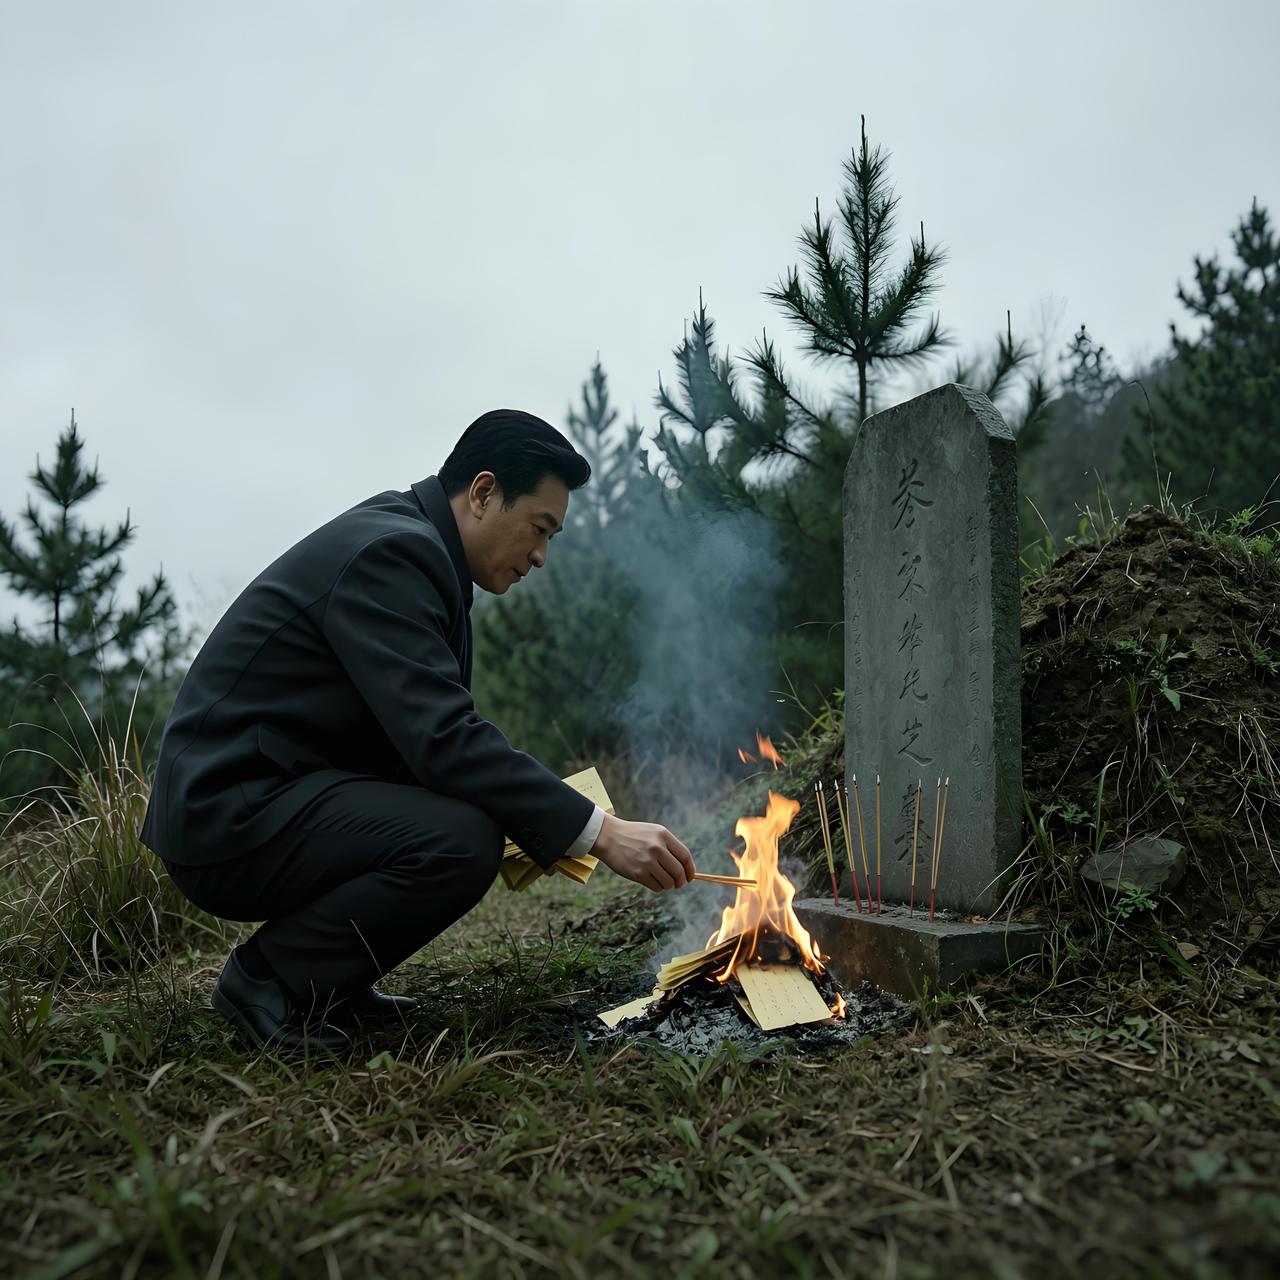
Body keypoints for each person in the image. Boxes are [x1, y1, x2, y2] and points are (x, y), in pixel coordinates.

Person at [140, 409, 695, 1054]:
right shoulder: (394, 553)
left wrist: (534, 822)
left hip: (275, 795)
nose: (542, 556)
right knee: (461, 840)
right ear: (484, 493)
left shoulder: (420, 549)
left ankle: (331, 984)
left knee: (466, 822)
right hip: (228, 812)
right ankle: (267, 980)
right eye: (539, 529)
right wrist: (599, 832)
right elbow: (445, 739)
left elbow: (419, 744)